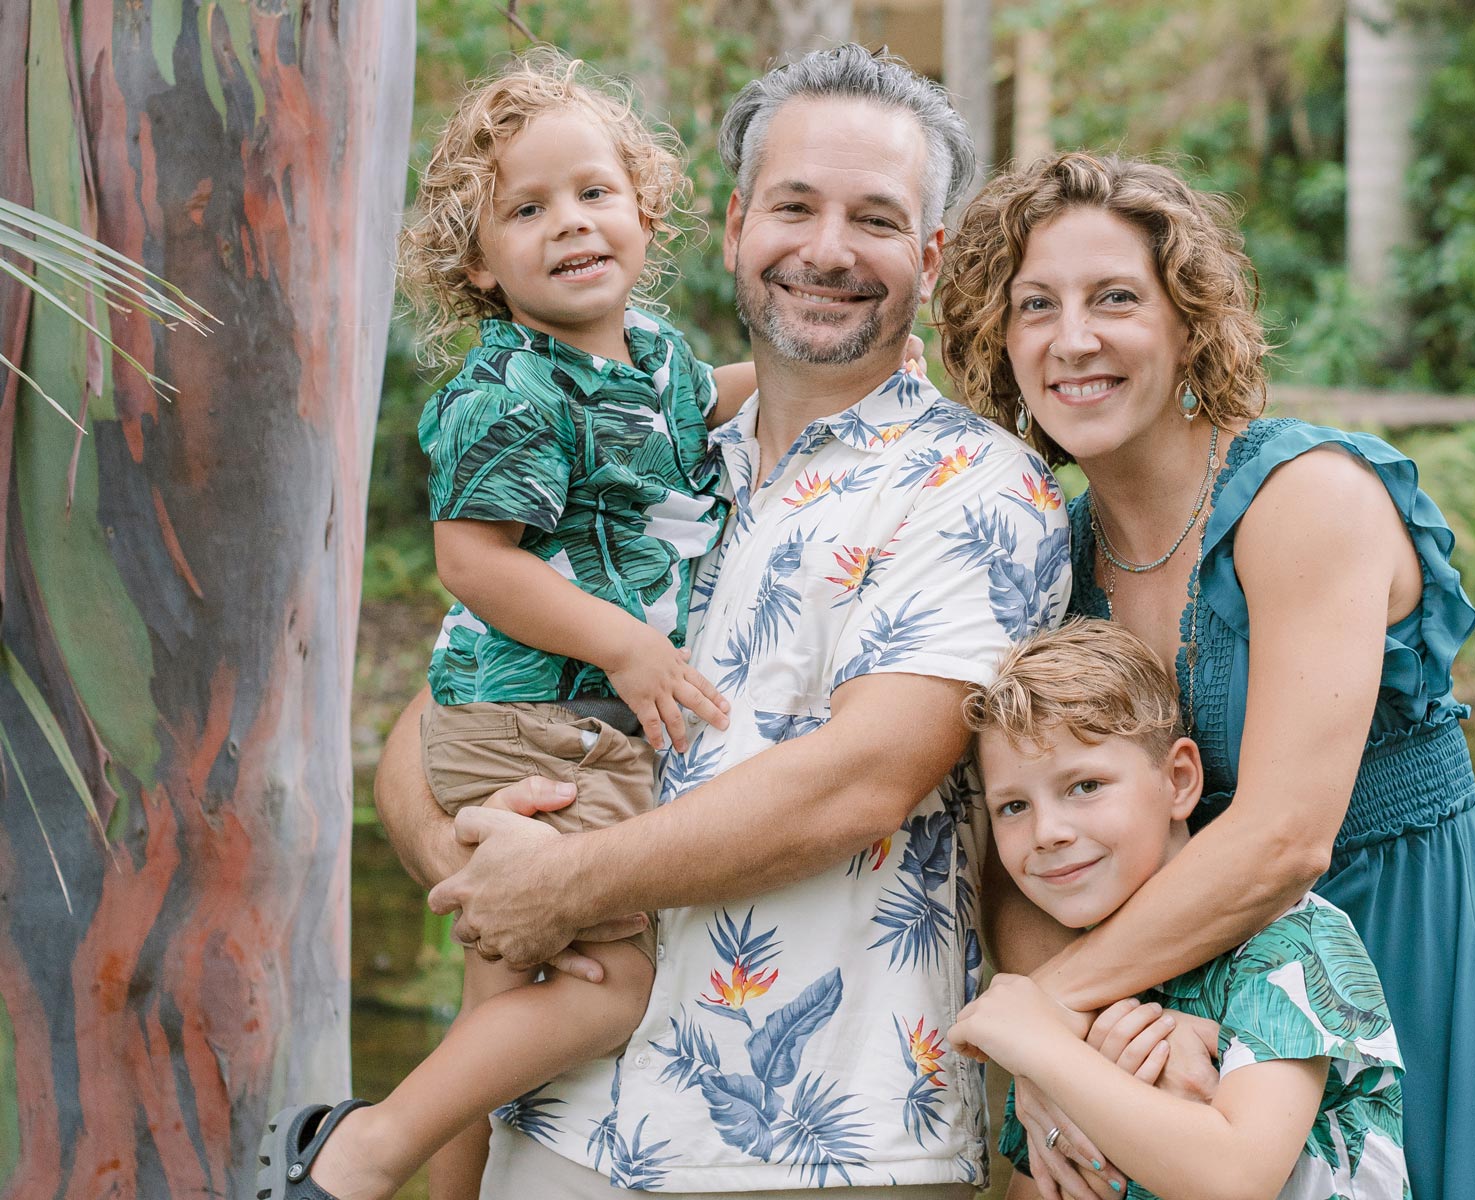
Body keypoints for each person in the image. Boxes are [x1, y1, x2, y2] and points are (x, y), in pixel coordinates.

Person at [370, 45, 1072, 1200]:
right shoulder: (642, 449)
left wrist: (558, 885)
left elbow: (860, 784)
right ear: (741, 222)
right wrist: (471, 866)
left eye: (878, 220)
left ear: (932, 257)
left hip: (813, 1147)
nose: (828, 249)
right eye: (795, 204)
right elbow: (445, 705)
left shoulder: (973, 487)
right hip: (560, 1126)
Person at [936, 152, 1475, 1200]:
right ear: (1000, 341)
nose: (1074, 340)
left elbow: (1288, 837)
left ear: (1189, 319)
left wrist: (1048, 1019)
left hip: (1405, 954)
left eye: (1116, 298)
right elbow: (1008, 839)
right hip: (1170, 1010)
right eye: (1035, 307)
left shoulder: (1307, 499)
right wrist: (1073, 1035)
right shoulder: (1044, 560)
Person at [259, 48, 768, 1200]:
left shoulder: (654, 361)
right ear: (480, 265)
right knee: (605, 985)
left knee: (495, 1014)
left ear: (643, 210)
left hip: (560, 720)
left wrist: (812, 384)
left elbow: (714, 401)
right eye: (527, 211)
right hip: (536, 721)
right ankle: (361, 1154)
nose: (572, 223)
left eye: (594, 193)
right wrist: (626, 643)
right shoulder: (509, 392)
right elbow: (473, 560)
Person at [948, 619, 1408, 1200]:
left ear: (1180, 780)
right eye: (1013, 806)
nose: (1047, 832)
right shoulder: (1065, 990)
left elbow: (1236, 1178)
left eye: (1085, 786)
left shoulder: (1292, 942)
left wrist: (1047, 1049)